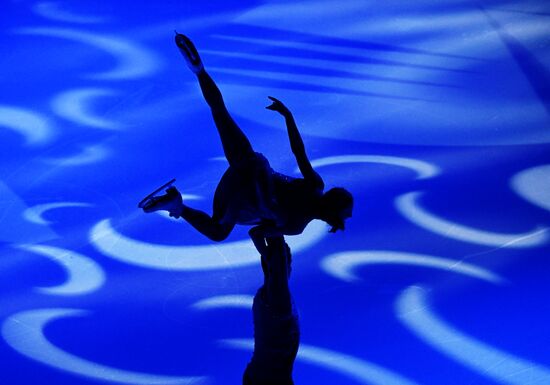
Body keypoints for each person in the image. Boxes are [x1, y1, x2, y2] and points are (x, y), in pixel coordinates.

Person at [142, 33, 353, 255]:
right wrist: (268, 254)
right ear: (334, 212)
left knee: (220, 113)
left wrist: (288, 116)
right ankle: (177, 206)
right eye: (346, 213)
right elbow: (256, 233)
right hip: (239, 196)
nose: (347, 217)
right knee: (218, 232)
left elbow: (298, 151)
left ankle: (199, 71)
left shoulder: (314, 186)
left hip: (252, 168)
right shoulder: (295, 226)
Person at [243, 235, 299, 385]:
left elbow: (277, 265)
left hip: (264, 375)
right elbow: (277, 265)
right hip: (264, 376)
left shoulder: (269, 298)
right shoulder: (276, 302)